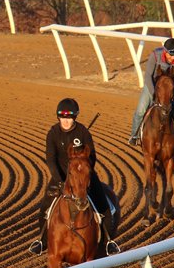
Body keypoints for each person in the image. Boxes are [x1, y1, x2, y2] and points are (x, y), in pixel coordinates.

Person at [28, 98, 121, 257]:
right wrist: (60, 180)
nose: (66, 121)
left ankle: (108, 242)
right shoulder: (53, 133)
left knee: (103, 205)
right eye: (62, 117)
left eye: (69, 118)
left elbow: (92, 157)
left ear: (75, 117)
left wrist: (84, 173)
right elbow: (51, 159)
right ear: (58, 117)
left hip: (83, 177)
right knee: (45, 208)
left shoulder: (83, 132)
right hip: (61, 177)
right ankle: (42, 241)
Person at [128, 37, 174, 149]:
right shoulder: (155, 55)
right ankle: (134, 135)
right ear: (165, 51)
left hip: (169, 90)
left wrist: (173, 93)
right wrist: (153, 94)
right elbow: (148, 76)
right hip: (152, 87)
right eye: (171, 55)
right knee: (140, 110)